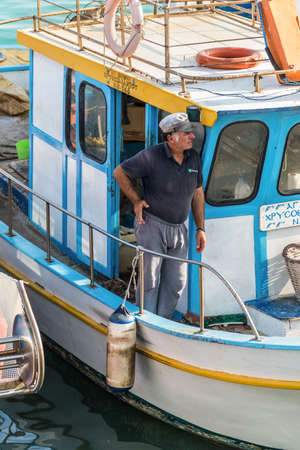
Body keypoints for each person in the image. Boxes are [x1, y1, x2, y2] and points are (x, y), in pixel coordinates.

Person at [114, 112, 206, 319]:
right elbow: (119, 172)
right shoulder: (151, 156)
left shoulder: (194, 158)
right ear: (171, 137)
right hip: (152, 225)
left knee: (176, 282)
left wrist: (200, 228)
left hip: (180, 228)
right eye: (187, 133)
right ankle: (145, 319)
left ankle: (161, 321)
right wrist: (136, 200)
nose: (192, 137)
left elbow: (197, 192)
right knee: (150, 281)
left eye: (192, 133)